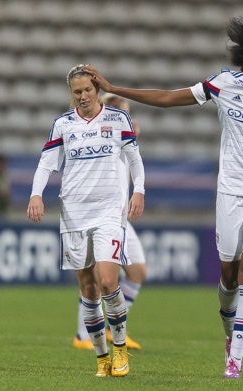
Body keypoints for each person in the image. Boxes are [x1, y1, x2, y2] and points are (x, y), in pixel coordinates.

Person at [83, 15, 243, 379]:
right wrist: (115, 88)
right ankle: (229, 335)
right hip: (231, 192)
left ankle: (234, 362)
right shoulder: (223, 84)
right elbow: (168, 98)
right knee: (229, 277)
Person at [27, 64, 145, 378]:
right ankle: (101, 358)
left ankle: (119, 350)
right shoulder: (63, 125)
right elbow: (45, 165)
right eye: (77, 91)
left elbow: (134, 159)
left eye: (87, 90)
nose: (82, 96)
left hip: (109, 212)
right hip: (73, 214)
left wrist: (139, 192)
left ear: (97, 90)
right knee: (89, 290)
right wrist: (36, 195)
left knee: (108, 281)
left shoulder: (117, 119)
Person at [73, 93, 147, 351]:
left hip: (120, 216)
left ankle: (113, 326)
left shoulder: (126, 135)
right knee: (94, 276)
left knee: (137, 272)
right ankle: (83, 335)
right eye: (120, 110)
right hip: (98, 215)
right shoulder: (97, 133)